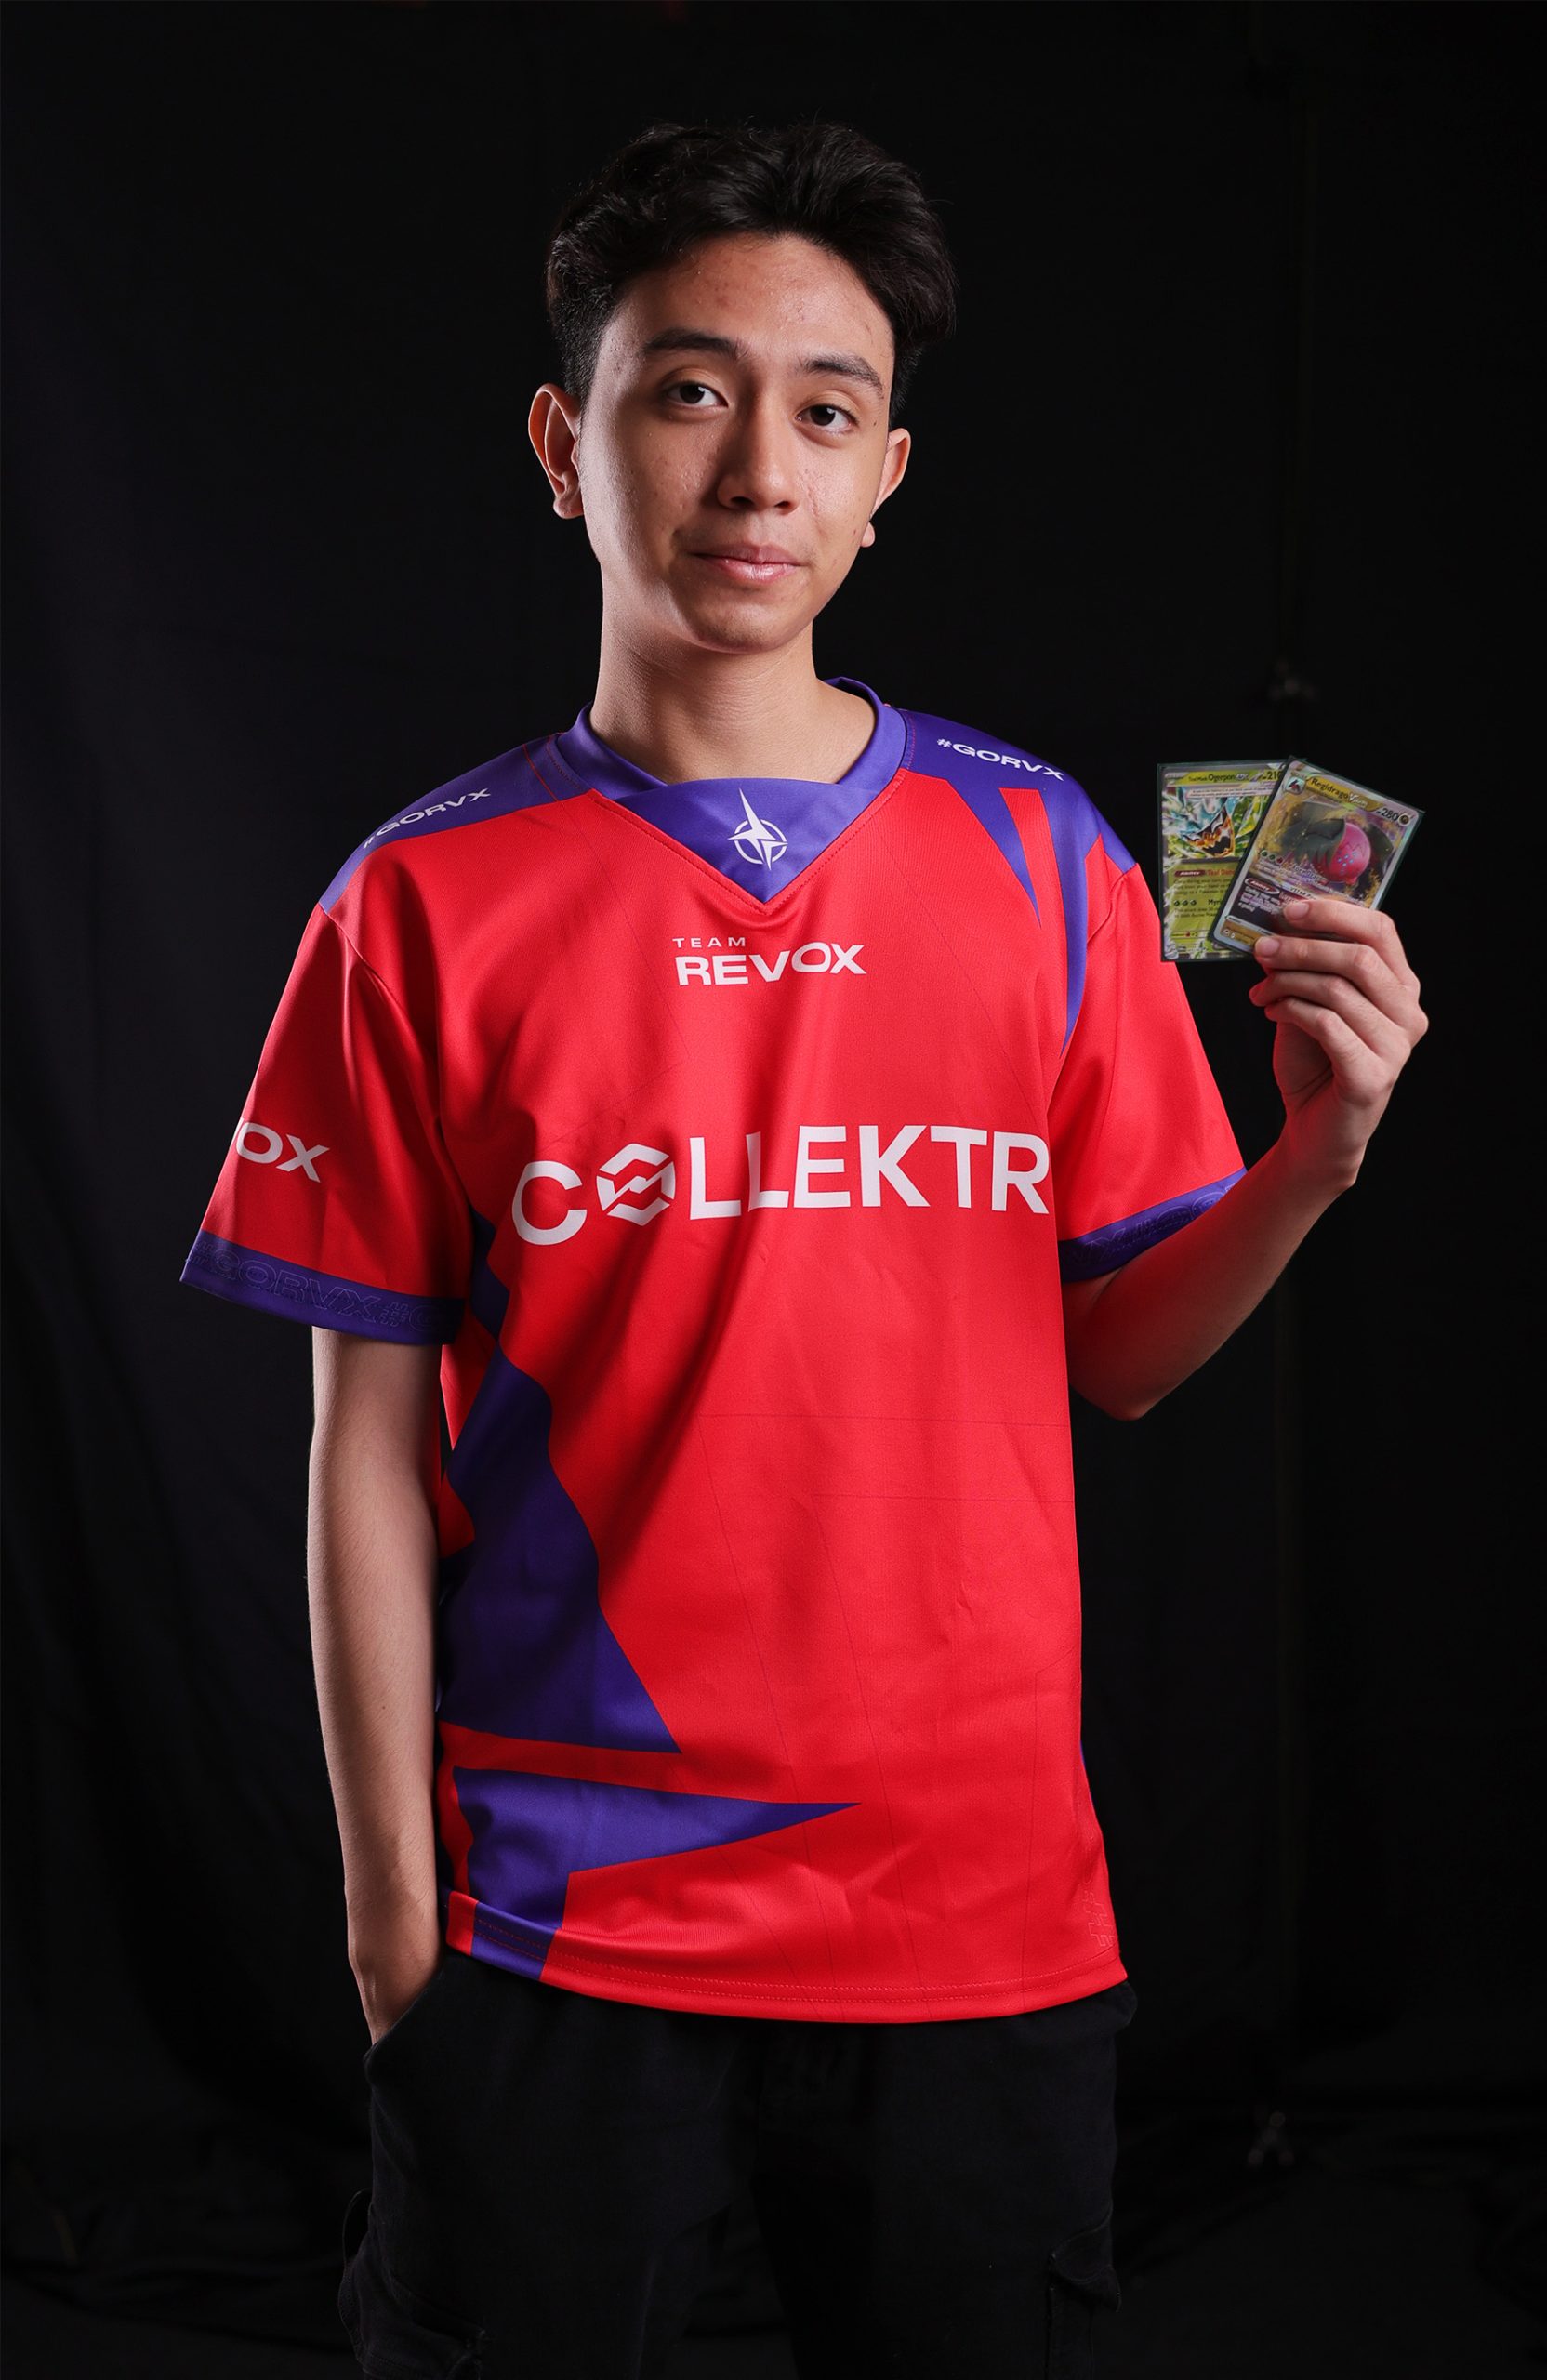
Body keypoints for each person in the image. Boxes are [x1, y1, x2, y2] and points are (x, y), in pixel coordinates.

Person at [178, 118, 1427, 2380]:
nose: (757, 469)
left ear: (883, 479)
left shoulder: (1042, 856)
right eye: (688, 390)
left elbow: (1121, 1352)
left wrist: (1313, 1151)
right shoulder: (414, 903)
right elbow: (361, 1447)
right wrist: (392, 1931)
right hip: (557, 1923)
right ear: (563, 444)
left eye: (825, 412)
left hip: (976, 1921)